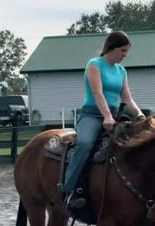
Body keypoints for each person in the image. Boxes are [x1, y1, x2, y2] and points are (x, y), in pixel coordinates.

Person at [62, 31, 145, 208]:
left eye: (126, 51)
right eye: (123, 50)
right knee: (85, 144)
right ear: (112, 48)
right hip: (92, 114)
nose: (125, 55)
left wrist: (139, 115)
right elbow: (97, 93)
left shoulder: (121, 70)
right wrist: (106, 116)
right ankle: (69, 190)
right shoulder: (94, 65)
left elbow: (127, 99)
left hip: (114, 116)